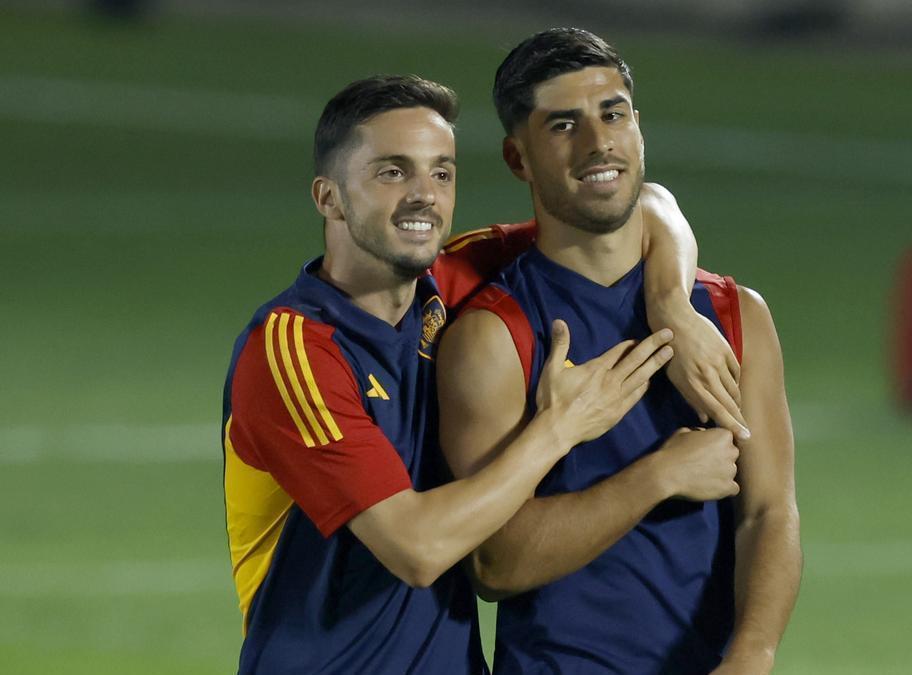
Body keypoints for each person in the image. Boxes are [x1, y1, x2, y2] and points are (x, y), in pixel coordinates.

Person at [221, 74, 742, 673]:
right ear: (328, 197)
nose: (425, 196)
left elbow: (641, 205)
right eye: (393, 172)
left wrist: (672, 300)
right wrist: (559, 429)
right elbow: (419, 548)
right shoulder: (292, 352)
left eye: (440, 172)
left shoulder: (449, 281)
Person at [438, 28, 802, 674]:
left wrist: (752, 652)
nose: (598, 142)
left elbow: (770, 511)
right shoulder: (493, 338)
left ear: (639, 128)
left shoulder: (732, 315)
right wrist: (657, 476)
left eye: (614, 114)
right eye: (563, 125)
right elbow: (495, 562)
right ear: (517, 158)